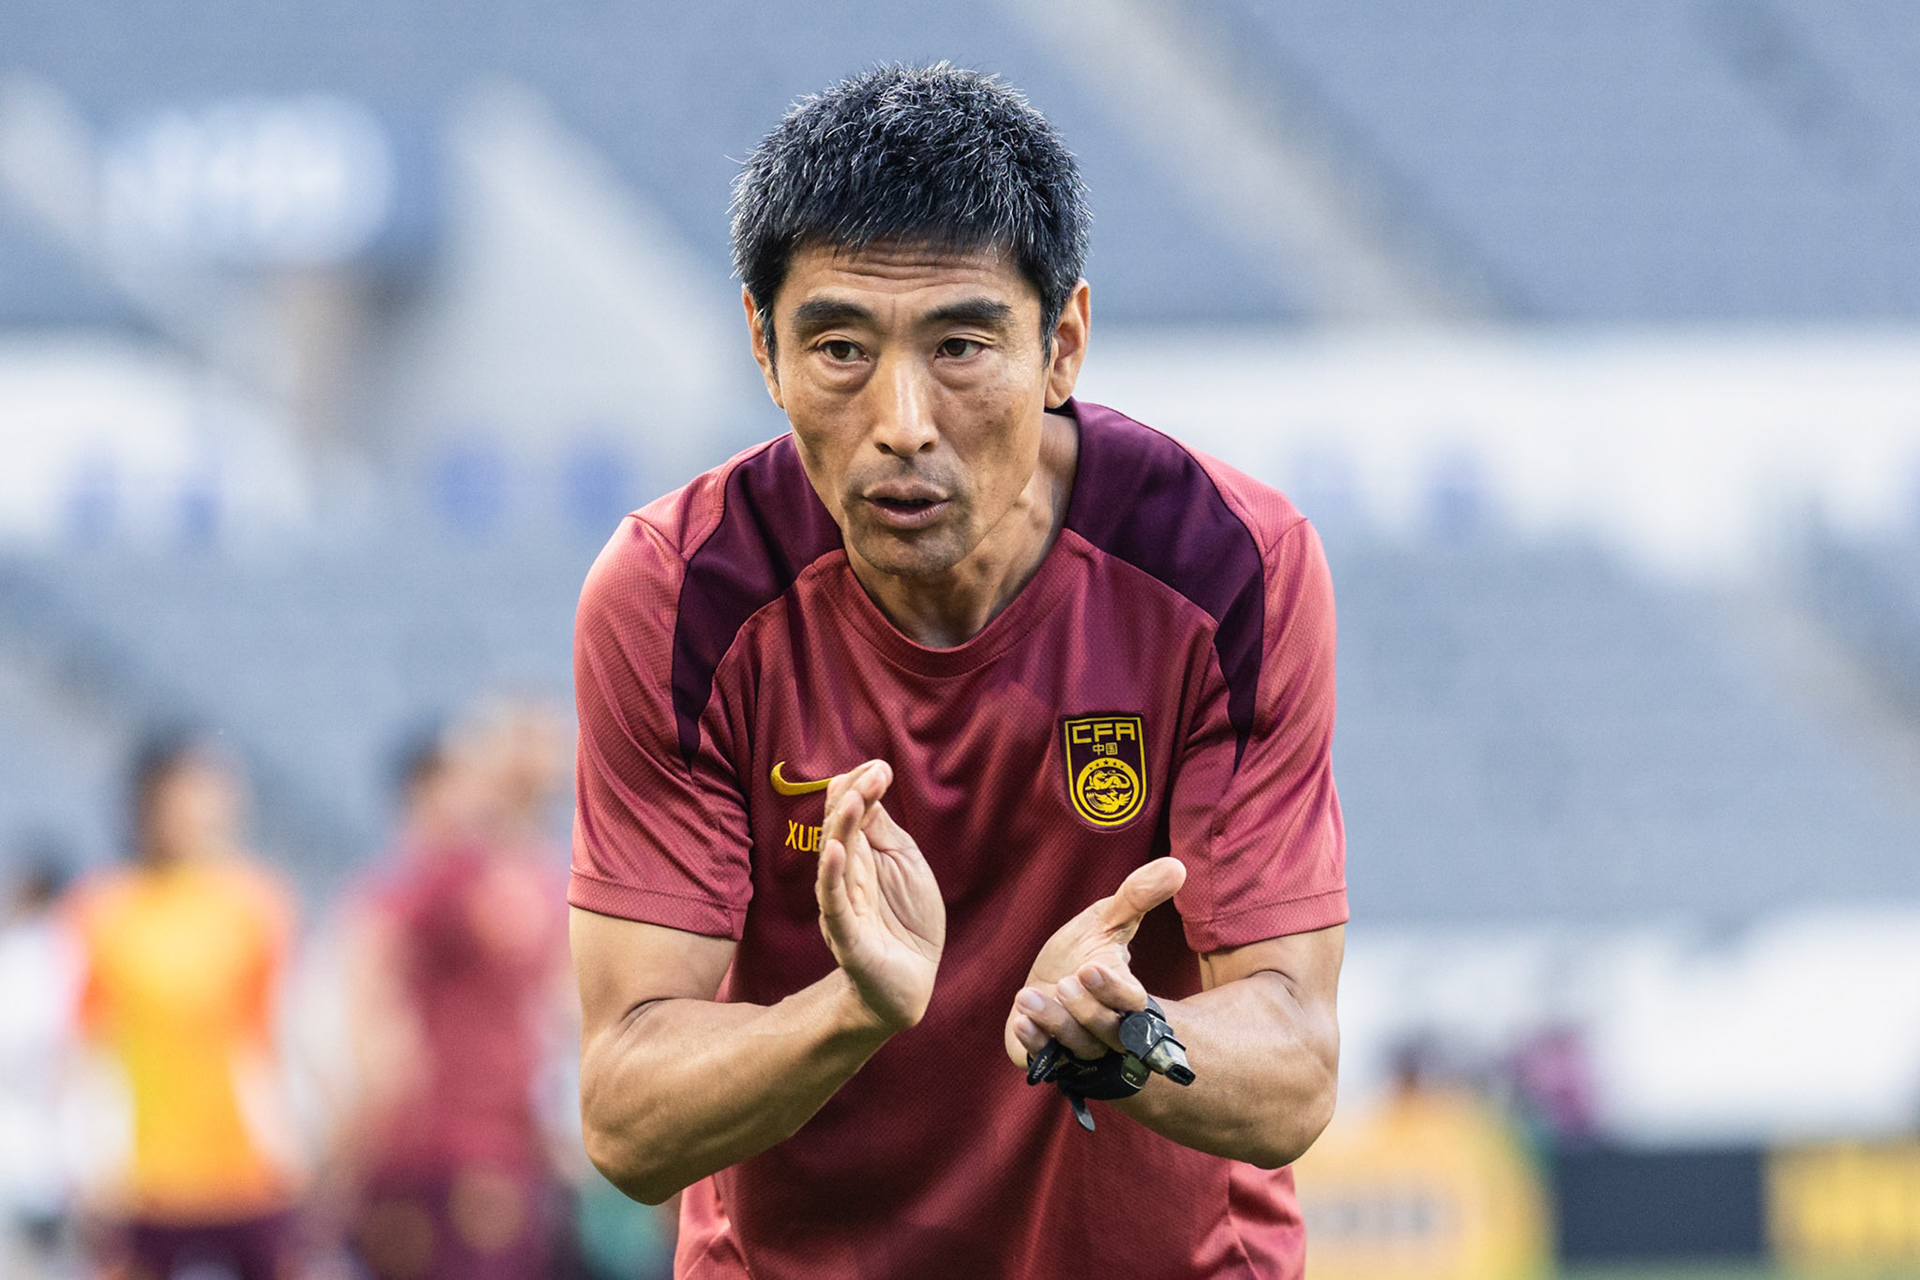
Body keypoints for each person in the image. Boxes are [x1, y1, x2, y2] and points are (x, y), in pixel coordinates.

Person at [569, 64, 1347, 1278]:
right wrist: (854, 1007)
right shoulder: (679, 596)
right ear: (762, 348)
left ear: (1063, 344)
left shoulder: (1226, 568)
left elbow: (1295, 1061)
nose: (903, 421)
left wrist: (1124, 1037)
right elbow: (625, 1114)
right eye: (838, 346)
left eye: (963, 344)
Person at [341, 723, 572, 1280]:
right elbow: (370, 956)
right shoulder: (451, 882)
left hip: (502, 1138)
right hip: (456, 1138)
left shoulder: (519, 877)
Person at [67, 733, 302, 1280]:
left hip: (246, 1169)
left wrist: (291, 1142)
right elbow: (91, 1047)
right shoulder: (107, 910)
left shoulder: (256, 905)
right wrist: (90, 1157)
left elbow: (272, 1038)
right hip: (143, 1176)